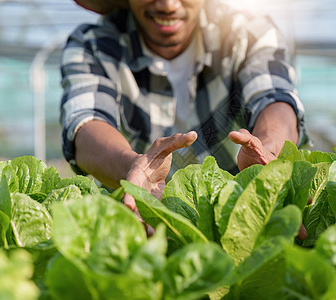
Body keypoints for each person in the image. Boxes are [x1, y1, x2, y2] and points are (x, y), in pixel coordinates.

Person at [60, 0, 311, 226]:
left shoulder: (248, 32)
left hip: (238, 220)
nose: (168, 5)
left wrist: (265, 150)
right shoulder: (92, 45)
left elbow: (274, 96)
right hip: (134, 225)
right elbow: (85, 123)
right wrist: (133, 166)